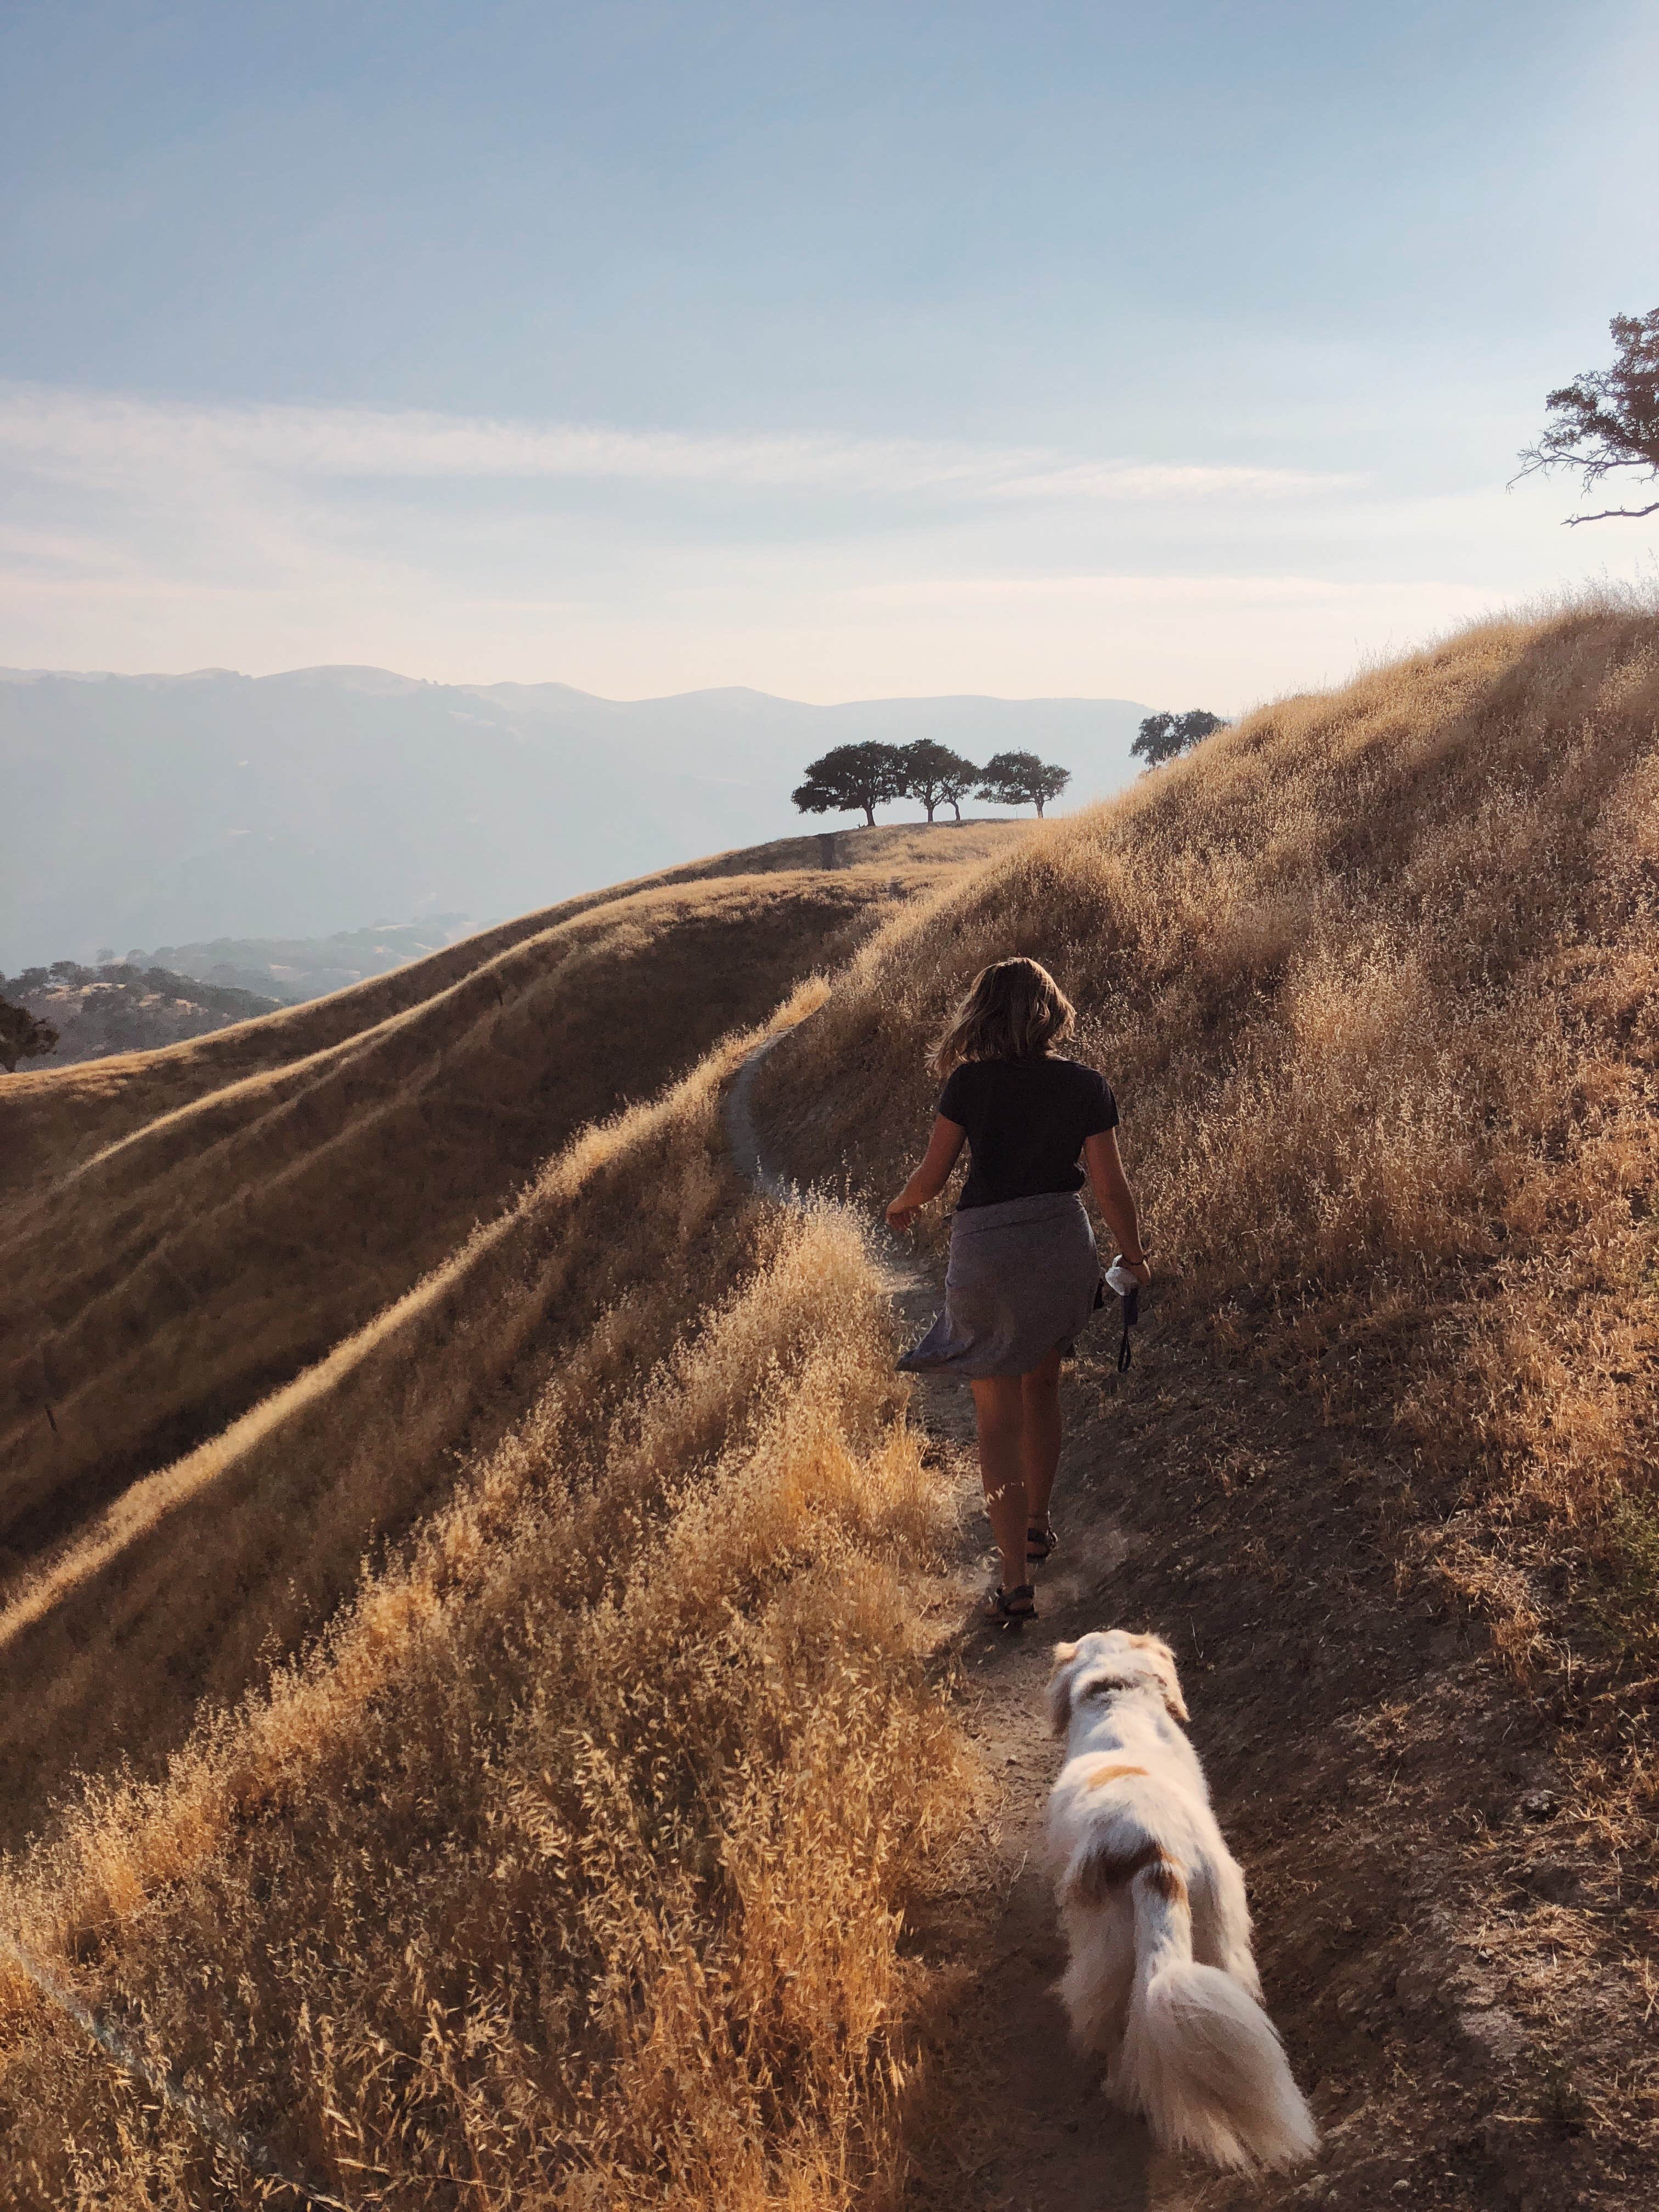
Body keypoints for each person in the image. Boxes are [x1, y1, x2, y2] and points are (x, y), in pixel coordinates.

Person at [886, 957, 1150, 1628]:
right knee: (1044, 1386)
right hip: (1061, 1247)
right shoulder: (1087, 1085)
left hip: (987, 1255)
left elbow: (933, 1174)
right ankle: (1037, 1524)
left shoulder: (968, 1084)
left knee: (995, 1417)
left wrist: (902, 1205)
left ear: (983, 1012)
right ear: (1052, 1011)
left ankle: (1013, 1583)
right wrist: (1134, 1256)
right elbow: (1110, 1185)